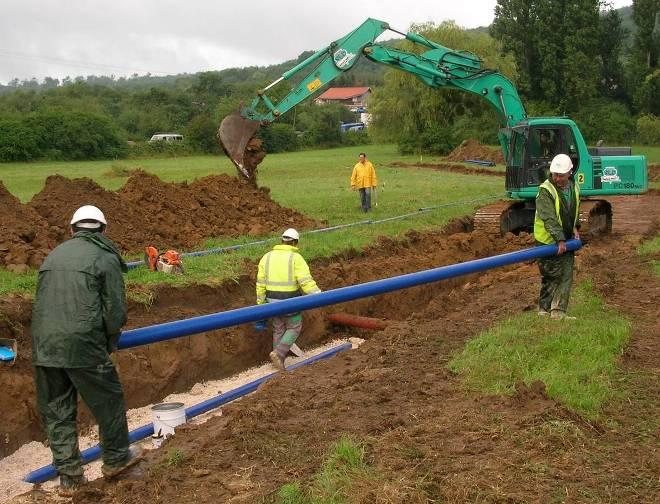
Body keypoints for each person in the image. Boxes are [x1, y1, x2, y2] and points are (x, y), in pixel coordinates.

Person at [31, 205, 141, 493]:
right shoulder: (105, 256)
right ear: (103, 230)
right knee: (108, 401)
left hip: (44, 345)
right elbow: (115, 310)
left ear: (72, 230)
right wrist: (110, 341)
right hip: (82, 343)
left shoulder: (53, 255)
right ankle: (116, 459)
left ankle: (69, 477)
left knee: (57, 410)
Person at [255, 228, 321, 371]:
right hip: (290, 301)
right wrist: (318, 295)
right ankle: (279, 354)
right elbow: (305, 281)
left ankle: (278, 361)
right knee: (294, 327)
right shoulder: (295, 258)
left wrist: (261, 305)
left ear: (282, 241)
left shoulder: (266, 257)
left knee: (278, 329)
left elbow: (260, 284)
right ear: (295, 243)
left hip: (271, 301)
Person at [533, 154, 581, 320]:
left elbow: (572, 210)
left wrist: (575, 227)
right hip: (547, 242)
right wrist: (559, 239)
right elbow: (549, 217)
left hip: (566, 239)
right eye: (555, 175)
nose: (558, 178)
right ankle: (544, 309)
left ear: (570, 173)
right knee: (552, 275)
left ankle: (559, 312)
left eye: (561, 175)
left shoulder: (574, 187)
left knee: (566, 274)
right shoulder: (545, 191)